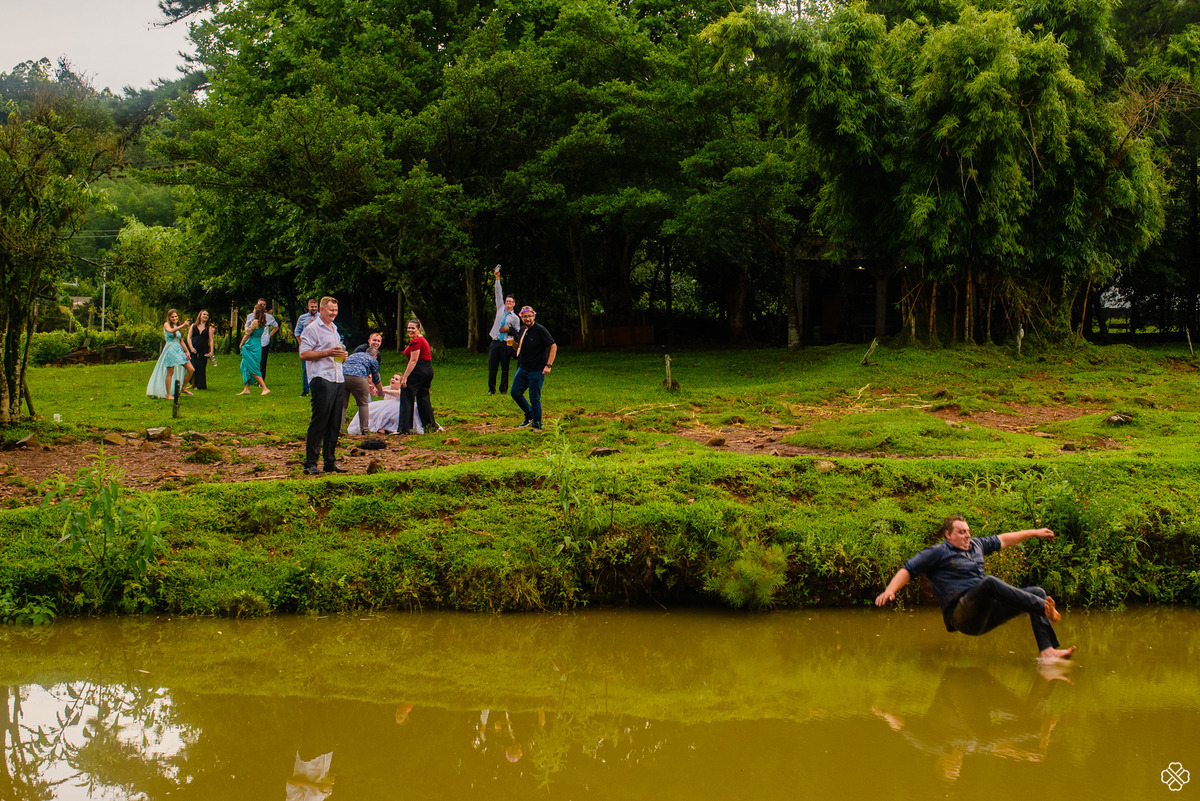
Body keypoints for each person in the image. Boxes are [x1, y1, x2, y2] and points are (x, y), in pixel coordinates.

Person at [875, 516, 1076, 660]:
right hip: (962, 615)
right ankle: (1043, 608)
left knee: (1037, 592)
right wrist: (890, 590)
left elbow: (1005, 539)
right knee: (989, 583)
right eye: (961, 532)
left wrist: (1035, 532)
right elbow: (908, 569)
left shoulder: (977, 545)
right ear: (948, 535)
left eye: (968, 531)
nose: (967, 535)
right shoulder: (937, 552)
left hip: (986, 615)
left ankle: (1047, 651)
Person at [299, 296, 348, 474]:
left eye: (335, 310)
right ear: (321, 309)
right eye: (331, 310)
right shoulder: (312, 329)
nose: (334, 313)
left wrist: (341, 357)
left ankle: (329, 461)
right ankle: (310, 463)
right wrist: (327, 352)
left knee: (335, 423)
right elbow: (303, 354)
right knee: (320, 421)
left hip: (337, 377)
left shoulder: (334, 328)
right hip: (321, 378)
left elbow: (334, 353)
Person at [509, 305, 555, 431]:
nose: (527, 318)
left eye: (529, 316)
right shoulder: (523, 330)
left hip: (537, 369)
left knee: (534, 397)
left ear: (534, 316)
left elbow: (553, 346)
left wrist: (548, 365)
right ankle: (530, 415)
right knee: (515, 392)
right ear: (521, 318)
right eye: (524, 317)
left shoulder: (540, 330)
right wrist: (511, 343)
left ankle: (537, 425)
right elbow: (519, 347)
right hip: (523, 368)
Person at [397, 319, 442, 434]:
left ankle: (405, 429)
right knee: (423, 397)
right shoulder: (422, 340)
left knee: (407, 396)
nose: (409, 330)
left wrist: (405, 377)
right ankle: (430, 426)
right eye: (408, 327)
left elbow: (413, 360)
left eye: (412, 328)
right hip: (427, 370)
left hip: (418, 370)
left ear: (418, 329)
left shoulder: (416, 341)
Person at [487, 266, 520, 396]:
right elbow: (498, 293)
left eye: (510, 302)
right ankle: (491, 389)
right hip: (495, 341)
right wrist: (497, 278)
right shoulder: (500, 308)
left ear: (514, 304)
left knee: (505, 367)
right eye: (507, 301)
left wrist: (508, 329)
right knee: (492, 367)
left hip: (506, 343)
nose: (508, 303)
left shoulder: (515, 318)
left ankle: (504, 388)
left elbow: (517, 333)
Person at [146, 309, 194, 399]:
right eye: (172, 317)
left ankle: (183, 388)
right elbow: (171, 331)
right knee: (170, 372)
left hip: (179, 350)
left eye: (176, 316)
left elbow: (181, 341)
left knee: (191, 369)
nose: (174, 318)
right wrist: (183, 325)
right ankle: (168, 394)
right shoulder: (166, 324)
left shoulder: (178, 326)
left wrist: (187, 351)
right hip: (170, 349)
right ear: (169, 317)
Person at [340, 346, 382, 434]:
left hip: (342, 377)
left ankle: (338, 430)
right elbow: (376, 379)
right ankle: (364, 430)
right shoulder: (373, 359)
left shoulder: (353, 355)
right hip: (358, 378)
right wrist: (380, 391)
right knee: (363, 404)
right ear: (375, 355)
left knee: (343, 405)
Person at [238, 308, 271, 395]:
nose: (253, 311)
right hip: (257, 345)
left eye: (254, 309)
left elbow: (248, 334)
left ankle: (264, 388)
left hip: (252, 345)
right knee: (244, 366)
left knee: (252, 368)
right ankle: (246, 388)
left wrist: (241, 344)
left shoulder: (255, 321)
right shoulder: (262, 322)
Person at [244, 298, 278, 380]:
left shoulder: (269, 317)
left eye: (264, 305)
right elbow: (246, 327)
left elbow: (276, 327)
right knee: (252, 361)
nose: (262, 306)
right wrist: (248, 330)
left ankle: (261, 379)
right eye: (260, 304)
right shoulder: (251, 316)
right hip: (253, 342)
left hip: (264, 342)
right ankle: (252, 378)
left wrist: (269, 335)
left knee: (262, 362)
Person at [295, 298, 319, 396]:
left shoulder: (321, 317)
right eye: (312, 307)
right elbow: (297, 332)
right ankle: (306, 390)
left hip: (317, 346)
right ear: (308, 307)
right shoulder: (302, 318)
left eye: (315, 307)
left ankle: (316, 388)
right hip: (306, 345)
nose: (314, 308)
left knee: (317, 367)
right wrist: (300, 344)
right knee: (306, 369)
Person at [185, 310, 214, 390]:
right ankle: (192, 383)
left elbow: (211, 340)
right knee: (193, 365)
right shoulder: (193, 326)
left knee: (201, 366)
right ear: (200, 315)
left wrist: (211, 351)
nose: (206, 316)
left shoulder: (209, 328)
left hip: (203, 349)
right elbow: (189, 337)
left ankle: (200, 385)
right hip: (193, 348)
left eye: (207, 315)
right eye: (204, 314)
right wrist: (191, 347)